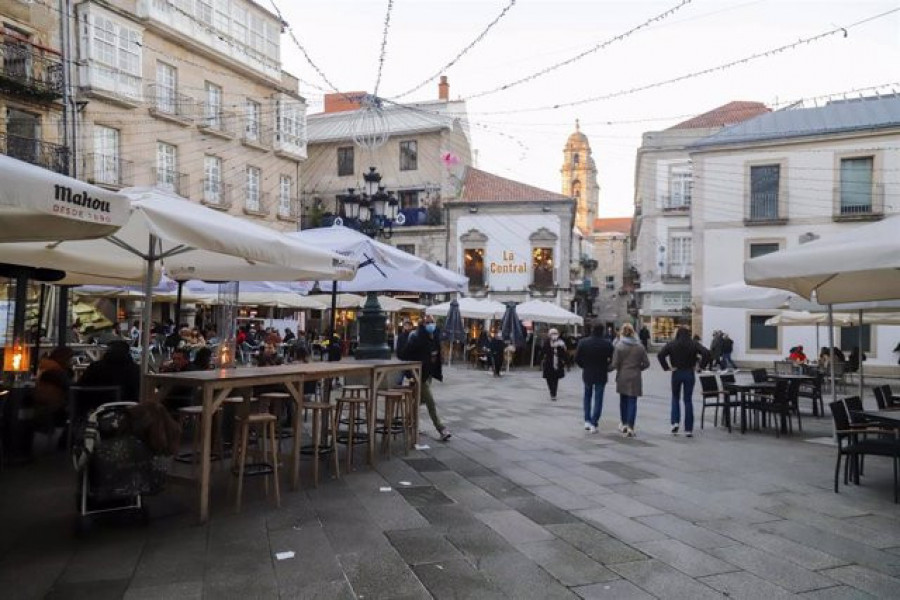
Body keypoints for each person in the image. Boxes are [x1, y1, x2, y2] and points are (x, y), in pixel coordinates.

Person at [399, 314, 451, 441]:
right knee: (430, 401)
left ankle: (408, 423)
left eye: (432, 322)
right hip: (419, 375)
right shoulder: (417, 338)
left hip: (428, 374)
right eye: (428, 323)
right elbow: (404, 354)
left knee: (418, 400)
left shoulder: (434, 337)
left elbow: (436, 355)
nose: (430, 325)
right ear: (423, 325)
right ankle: (441, 428)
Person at [657, 327, 710, 438]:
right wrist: (701, 366)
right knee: (688, 400)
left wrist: (667, 367)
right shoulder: (693, 343)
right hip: (689, 372)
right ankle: (688, 429)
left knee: (675, 397)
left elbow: (660, 355)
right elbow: (706, 352)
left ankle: (675, 422)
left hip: (676, 372)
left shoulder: (672, 344)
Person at [609, 323, 650, 438]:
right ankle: (631, 427)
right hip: (635, 375)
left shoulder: (619, 346)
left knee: (623, 400)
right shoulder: (640, 347)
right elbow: (647, 363)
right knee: (633, 401)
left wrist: (610, 369)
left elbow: (615, 364)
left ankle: (624, 423)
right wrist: (638, 368)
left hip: (622, 375)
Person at [575, 324, 615, 433]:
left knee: (587, 396)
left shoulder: (583, 342)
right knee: (598, 398)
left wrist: (584, 366)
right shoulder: (607, 344)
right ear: (602, 331)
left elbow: (577, 358)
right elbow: (613, 359)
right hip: (601, 373)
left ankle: (587, 420)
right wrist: (607, 367)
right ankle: (594, 422)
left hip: (588, 372)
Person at [540, 328, 568, 402]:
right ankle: (552, 392)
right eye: (552, 334)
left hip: (555, 363)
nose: (553, 336)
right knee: (550, 379)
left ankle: (553, 393)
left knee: (554, 379)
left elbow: (564, 354)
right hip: (550, 363)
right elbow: (543, 352)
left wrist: (565, 361)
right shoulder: (548, 342)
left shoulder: (561, 343)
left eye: (555, 334)